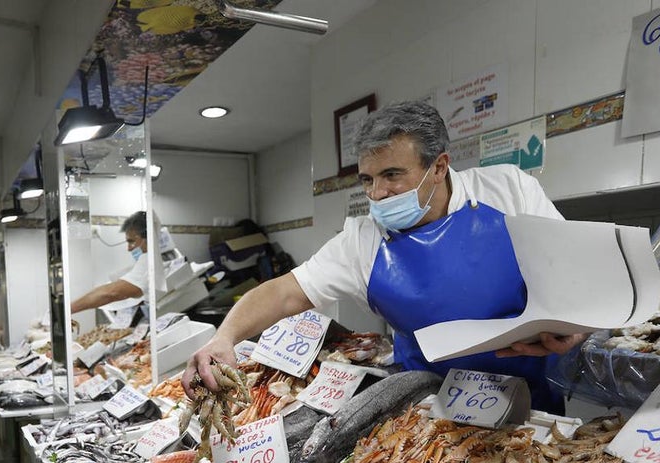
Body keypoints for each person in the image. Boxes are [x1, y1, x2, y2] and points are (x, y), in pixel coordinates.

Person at [184, 101, 583, 412]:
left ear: (439, 166)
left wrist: (578, 324)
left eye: (392, 175)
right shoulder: (362, 239)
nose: (377, 193)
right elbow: (286, 292)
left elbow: (575, 270)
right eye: (368, 179)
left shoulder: (509, 192)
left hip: (533, 399)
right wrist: (225, 337)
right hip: (424, 405)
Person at [70, 211, 166, 314]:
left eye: (131, 241)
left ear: (147, 238)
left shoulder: (148, 263)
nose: (129, 248)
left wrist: (69, 309)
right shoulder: (148, 260)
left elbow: (111, 293)